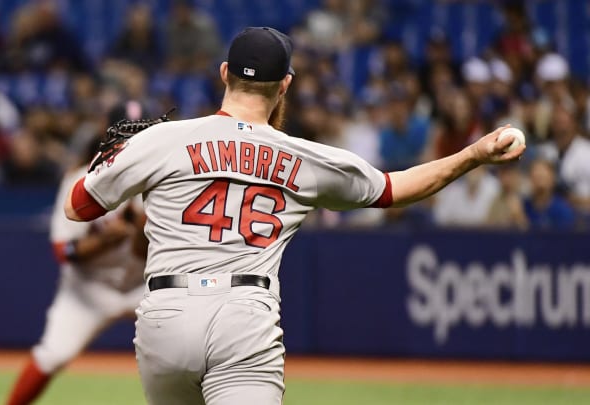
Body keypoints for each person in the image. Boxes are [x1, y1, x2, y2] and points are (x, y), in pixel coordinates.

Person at [64, 27, 525, 405]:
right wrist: (473, 154)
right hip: (242, 317)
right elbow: (394, 189)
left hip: (164, 316)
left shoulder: (164, 139)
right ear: (285, 84)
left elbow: (79, 206)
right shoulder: (304, 157)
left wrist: (123, 153)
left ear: (224, 73)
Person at [5, 143, 147, 405]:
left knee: (182, 356)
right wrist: (105, 240)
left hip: (143, 286)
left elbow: (145, 252)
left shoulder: (157, 178)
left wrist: (140, 229)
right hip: (88, 288)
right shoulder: (81, 181)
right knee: (53, 355)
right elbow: (63, 251)